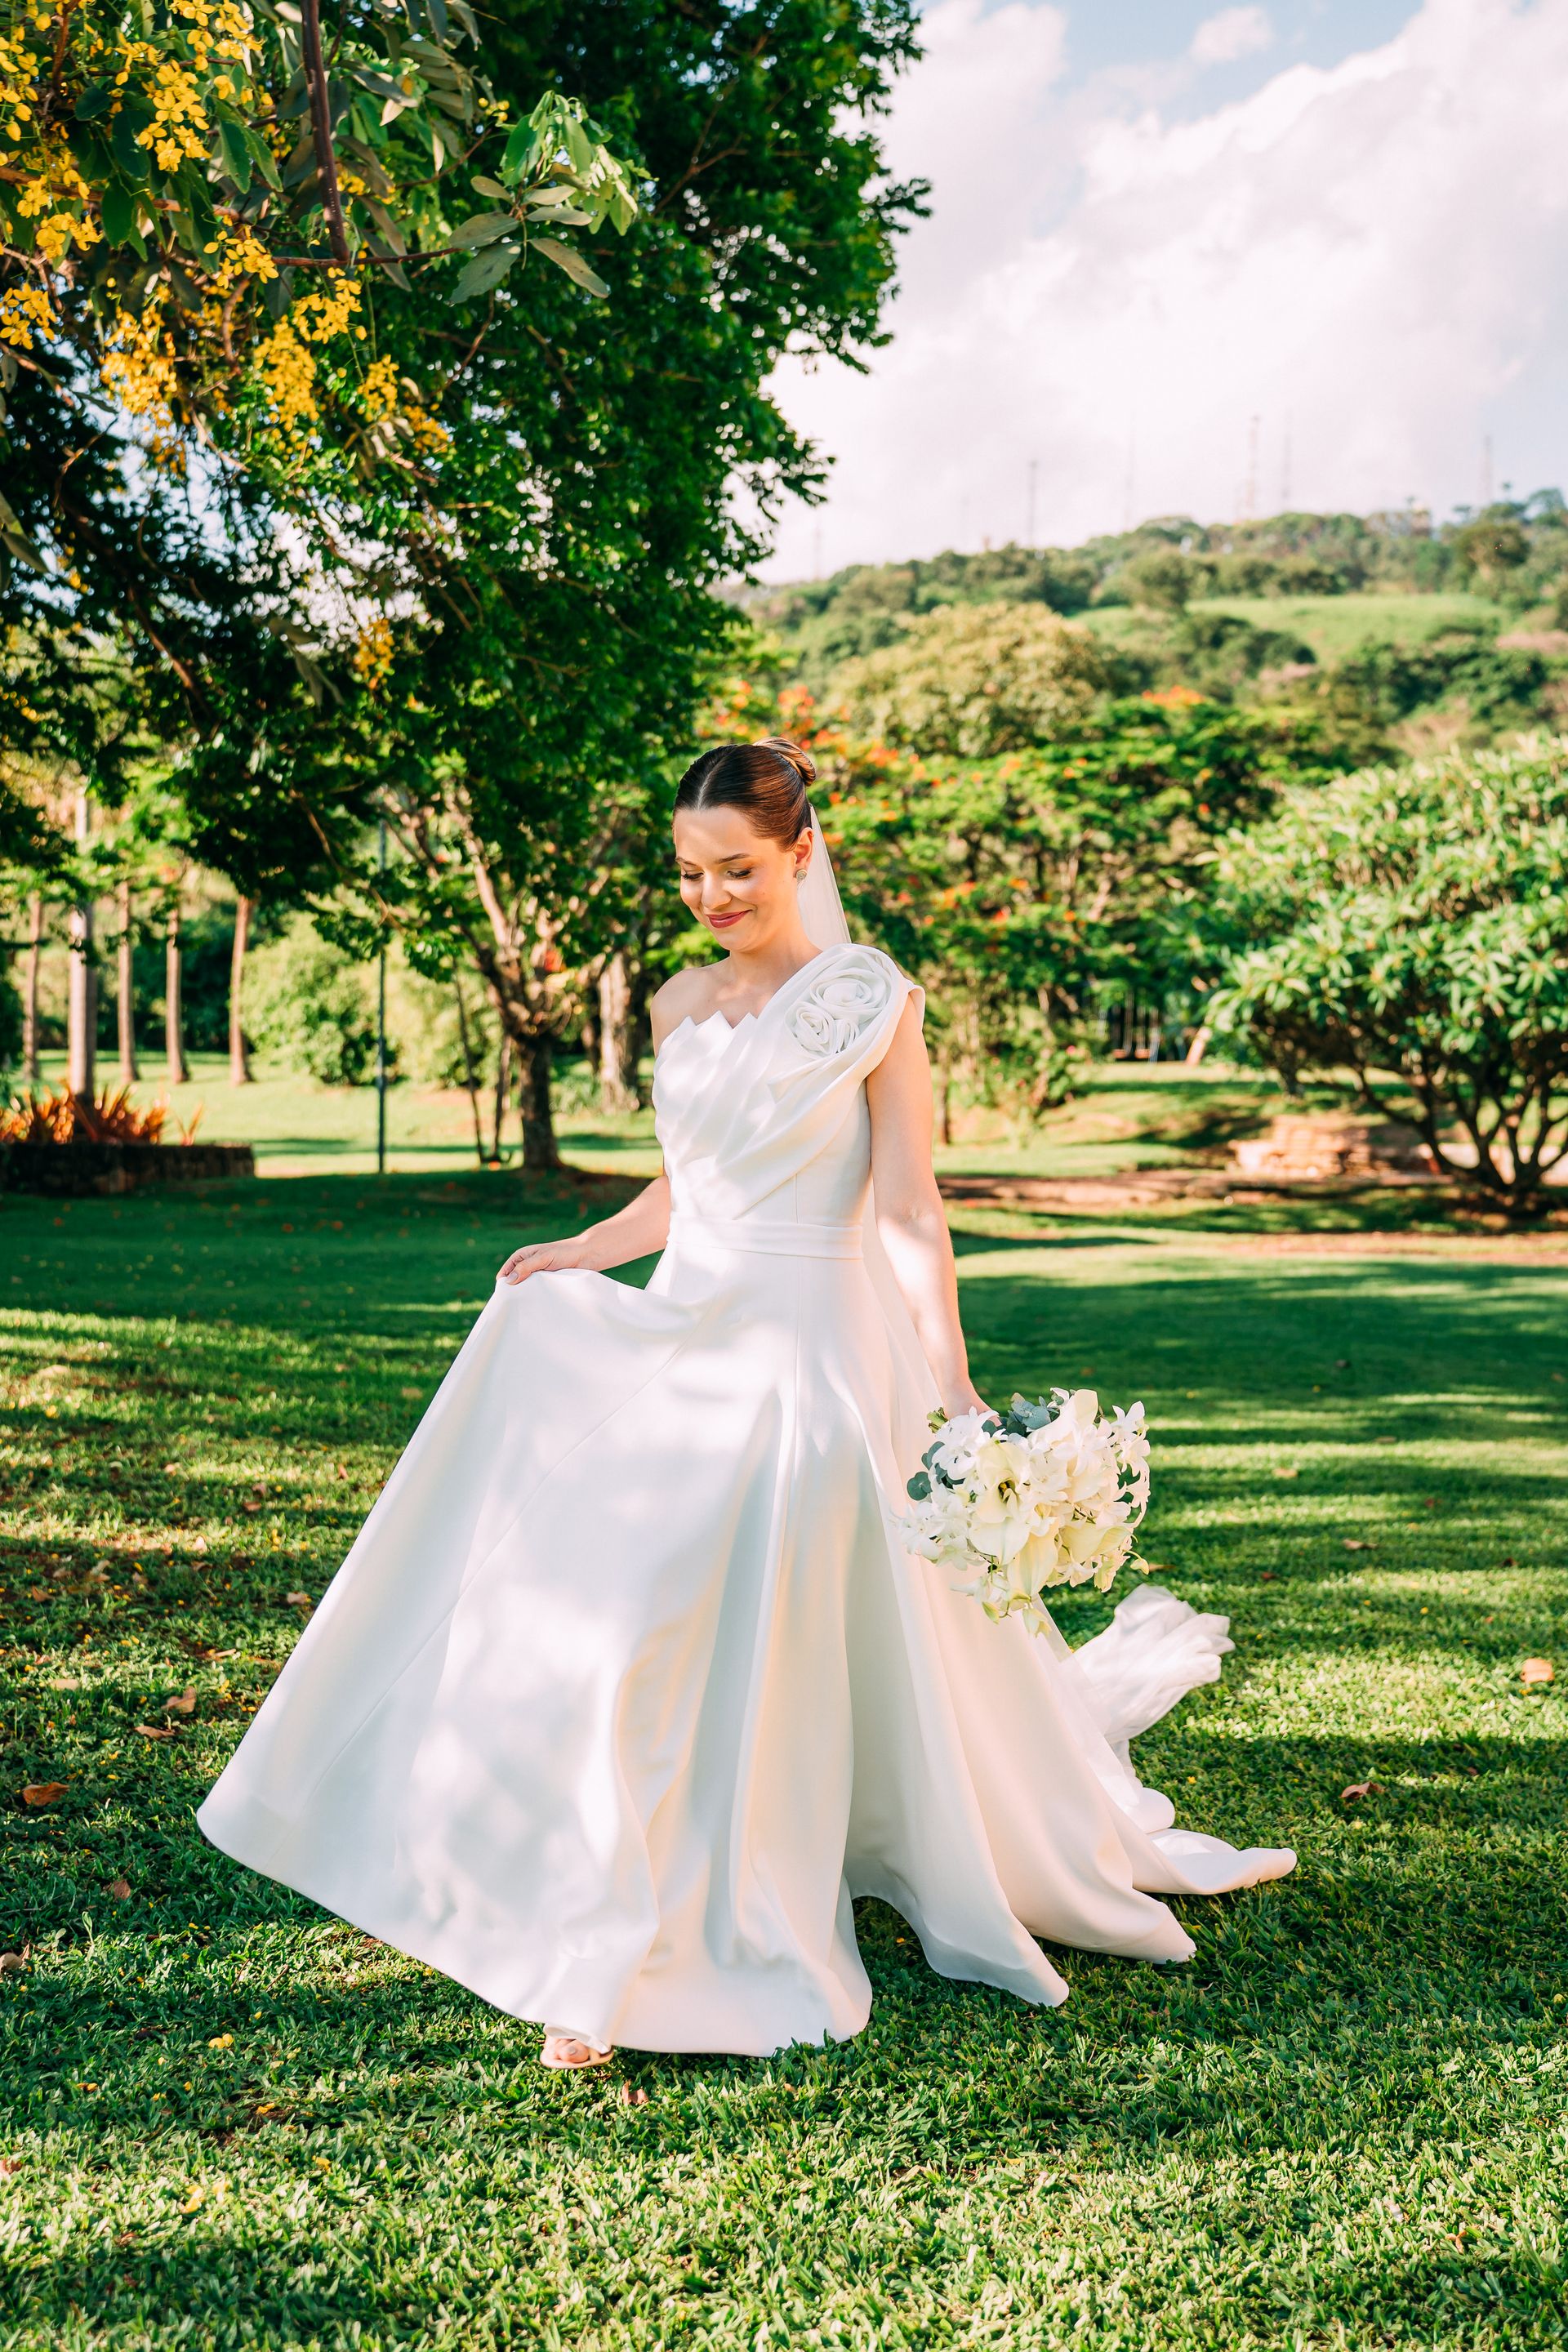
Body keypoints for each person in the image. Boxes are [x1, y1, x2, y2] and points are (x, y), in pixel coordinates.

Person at [199, 736, 1293, 2071]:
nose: (713, 895)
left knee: (709, 1631)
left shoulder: (876, 1001)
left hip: (816, 1352)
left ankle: (653, 1942)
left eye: (738, 869)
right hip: (687, 1330)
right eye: (691, 873)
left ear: (801, 851)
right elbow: (686, 1190)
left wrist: (948, 1381)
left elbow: (905, 1206)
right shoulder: (674, 1002)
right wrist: (582, 1253)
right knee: (625, 1623)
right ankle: (593, 1925)